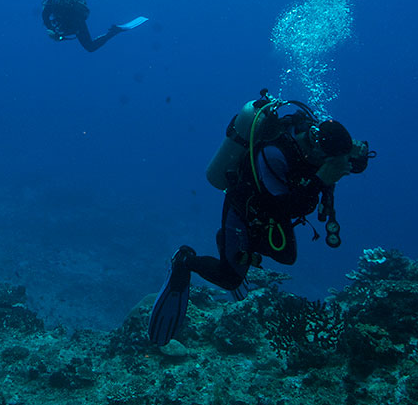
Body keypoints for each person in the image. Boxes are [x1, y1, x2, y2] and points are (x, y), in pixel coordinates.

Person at [148, 91, 375, 345]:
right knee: (230, 277)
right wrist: (321, 179)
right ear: (319, 150)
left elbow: (352, 164)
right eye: (329, 161)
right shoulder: (275, 154)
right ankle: (185, 261)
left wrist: (356, 155)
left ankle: (232, 247)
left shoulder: (316, 143)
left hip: (270, 209)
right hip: (245, 210)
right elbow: (280, 208)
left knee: (286, 256)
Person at [41, 0, 146, 52]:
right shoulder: (52, 1)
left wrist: (61, 34)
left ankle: (113, 32)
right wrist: (52, 30)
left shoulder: (73, 2)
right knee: (89, 47)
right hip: (63, 25)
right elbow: (45, 16)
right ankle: (114, 32)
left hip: (77, 24)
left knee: (90, 47)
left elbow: (82, 17)